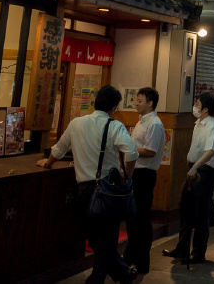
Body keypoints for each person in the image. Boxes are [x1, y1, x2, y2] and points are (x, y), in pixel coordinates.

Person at [39, 85, 139, 284]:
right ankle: (118, 274)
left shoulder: (76, 123)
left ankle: (105, 277)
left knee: (95, 238)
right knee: (106, 239)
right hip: (108, 191)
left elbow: (59, 149)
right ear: (113, 107)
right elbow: (132, 153)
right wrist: (127, 176)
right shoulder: (114, 126)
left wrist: (47, 163)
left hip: (84, 190)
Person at [163, 92, 214, 265]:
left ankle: (198, 253)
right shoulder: (198, 123)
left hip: (204, 173)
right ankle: (182, 248)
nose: (194, 107)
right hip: (193, 171)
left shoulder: (212, 126)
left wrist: (195, 167)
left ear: (205, 109)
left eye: (197, 104)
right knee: (186, 211)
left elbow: (211, 150)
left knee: (201, 214)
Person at [125, 87, 165, 276]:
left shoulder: (154, 124)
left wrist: (128, 147)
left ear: (150, 103)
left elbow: (150, 151)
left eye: (139, 100)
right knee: (134, 219)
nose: (136, 104)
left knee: (141, 219)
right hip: (135, 175)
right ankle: (131, 258)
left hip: (145, 176)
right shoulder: (142, 122)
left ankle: (141, 262)